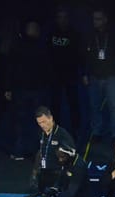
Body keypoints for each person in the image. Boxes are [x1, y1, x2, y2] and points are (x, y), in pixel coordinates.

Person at [4, 20, 52, 160]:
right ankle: (22, 150)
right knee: (22, 121)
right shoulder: (19, 46)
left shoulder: (42, 46)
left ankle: (38, 150)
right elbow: (11, 67)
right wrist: (8, 87)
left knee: (37, 121)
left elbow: (48, 68)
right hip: (23, 89)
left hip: (36, 89)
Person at [82, 9, 115, 140]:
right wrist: (85, 73)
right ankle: (97, 131)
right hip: (94, 75)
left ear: (105, 20)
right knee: (94, 106)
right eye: (94, 19)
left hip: (113, 75)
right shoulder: (90, 35)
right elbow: (84, 56)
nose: (95, 22)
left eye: (98, 19)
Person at [48, 7, 82, 137]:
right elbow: (47, 53)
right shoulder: (51, 33)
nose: (62, 20)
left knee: (73, 101)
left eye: (64, 17)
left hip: (70, 73)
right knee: (55, 102)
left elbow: (79, 54)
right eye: (59, 17)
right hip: (55, 74)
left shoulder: (74, 34)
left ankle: (76, 128)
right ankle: (54, 128)